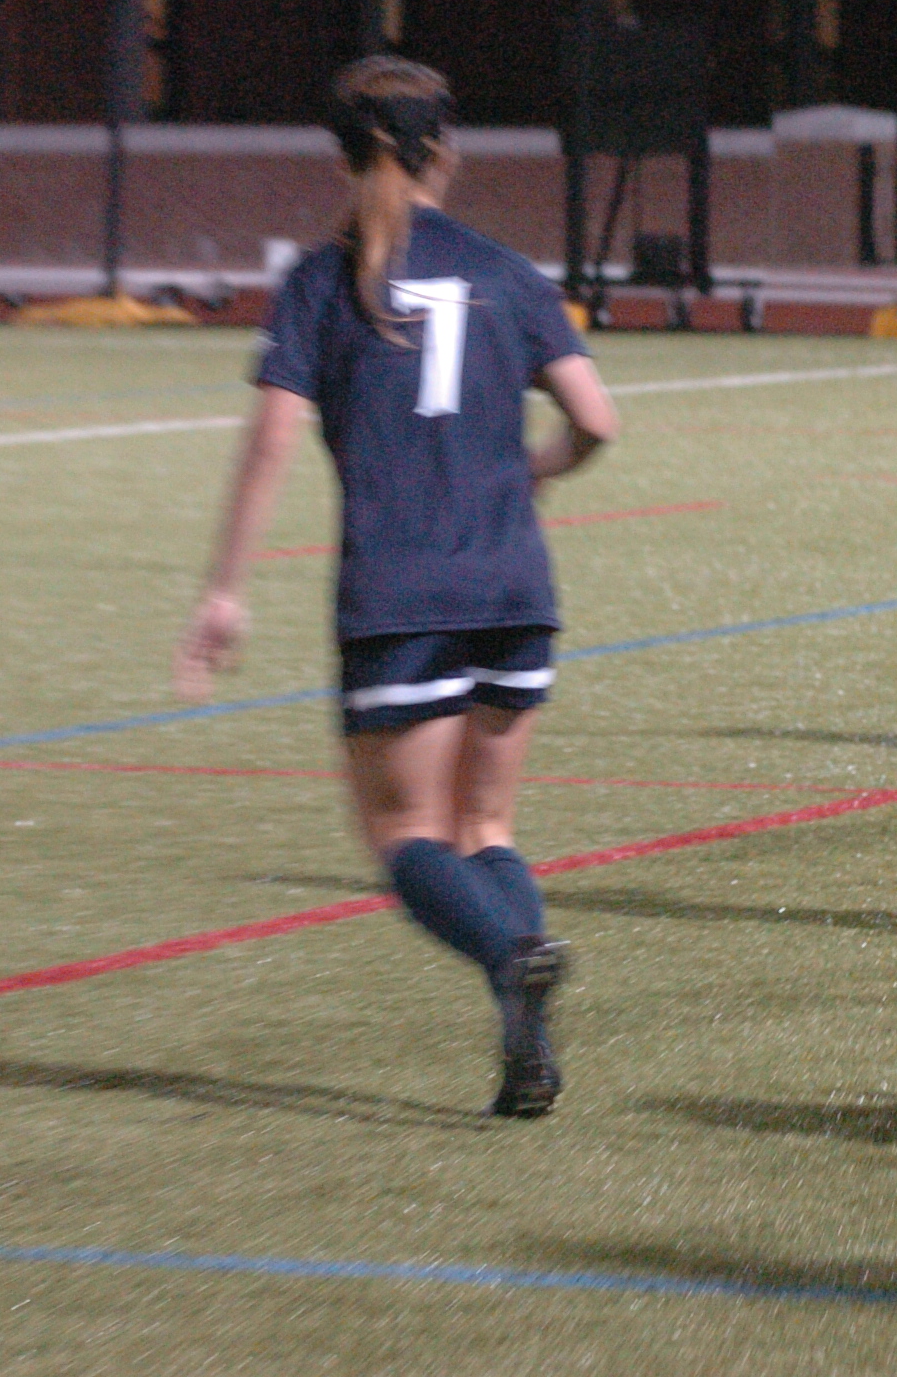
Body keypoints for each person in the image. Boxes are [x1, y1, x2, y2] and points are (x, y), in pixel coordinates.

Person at [175, 55, 618, 1119]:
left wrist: (225, 591)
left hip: (400, 597)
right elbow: (597, 422)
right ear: (443, 151)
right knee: (489, 828)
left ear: (342, 155)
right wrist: (530, 470)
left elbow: (271, 443)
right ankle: (522, 1015)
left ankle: (510, 960)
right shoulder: (508, 273)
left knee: (406, 837)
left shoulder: (322, 282)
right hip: (515, 588)